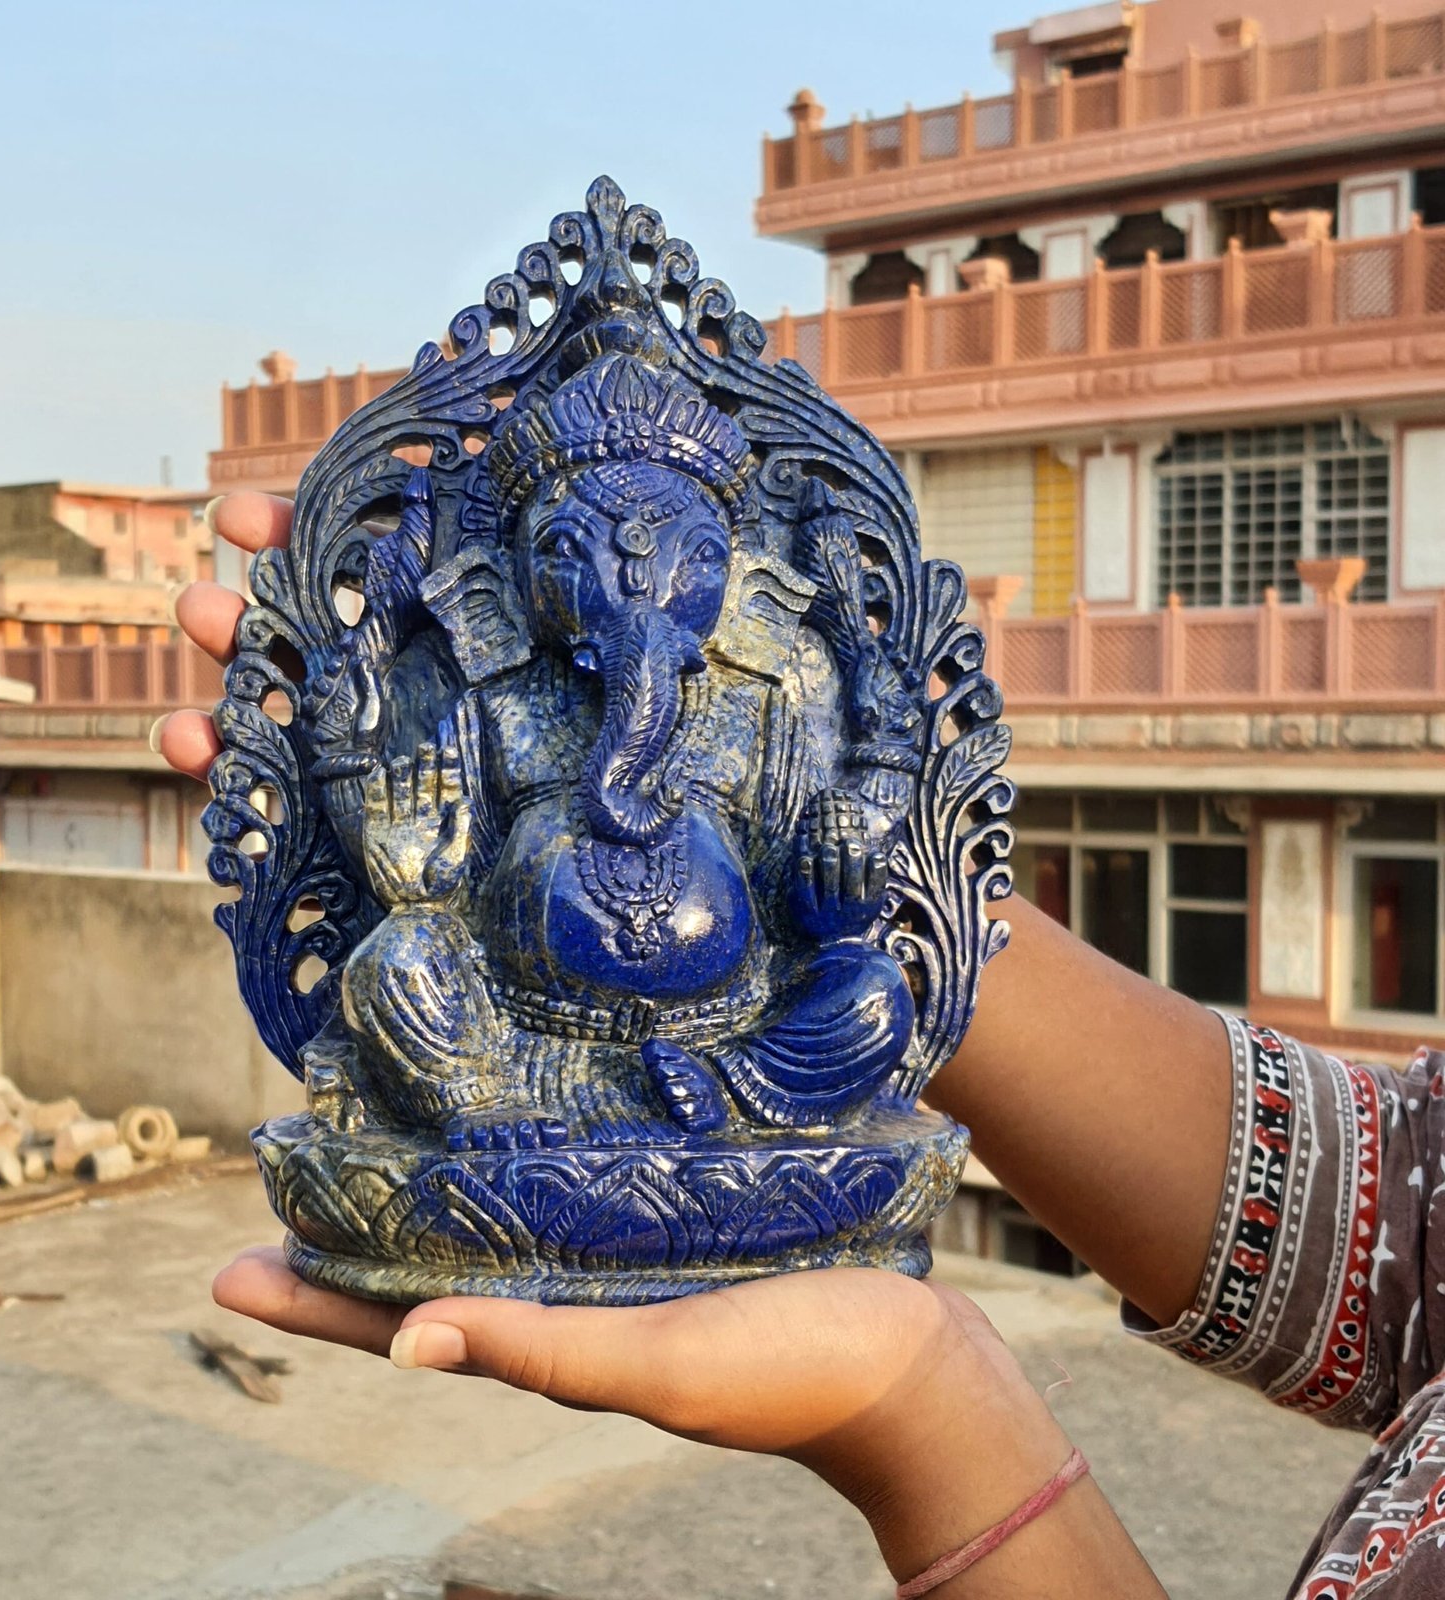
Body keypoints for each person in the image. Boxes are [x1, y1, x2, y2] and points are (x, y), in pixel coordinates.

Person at [156, 491, 1445, 1599]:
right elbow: (1395, 1215)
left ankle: (721, 1102)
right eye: (583, 561)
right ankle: (504, 1122)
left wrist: (929, 1412)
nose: (639, 598)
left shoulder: (770, 695)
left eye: (681, 561)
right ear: (517, 583)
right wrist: (368, 769)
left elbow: (820, 911)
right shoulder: (470, 676)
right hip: (520, 1052)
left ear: (732, 573)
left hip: (729, 1037)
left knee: (874, 1003)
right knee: (397, 967)